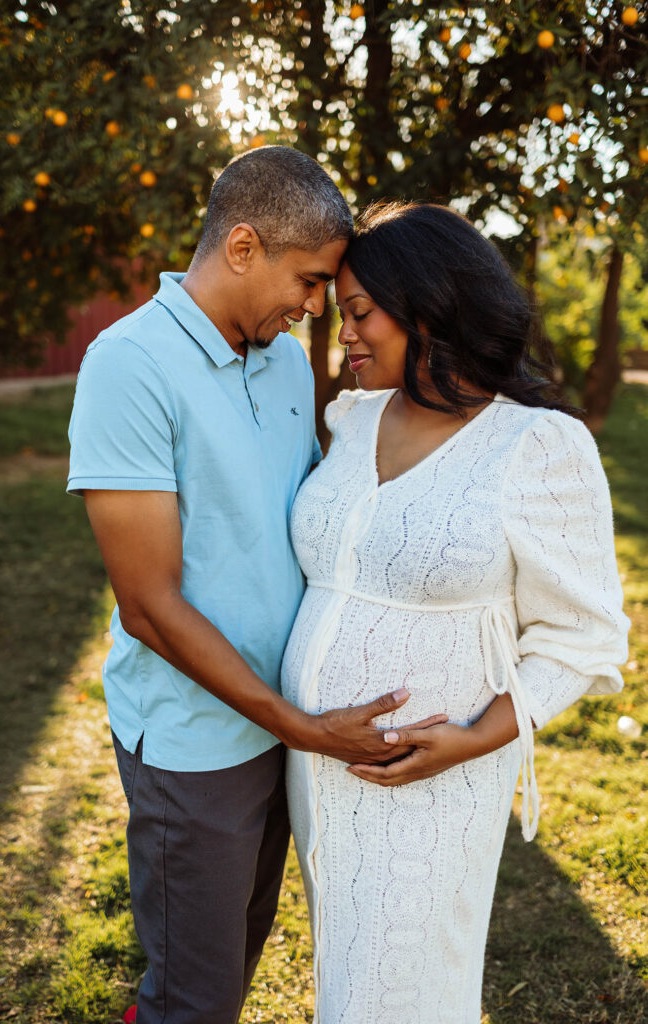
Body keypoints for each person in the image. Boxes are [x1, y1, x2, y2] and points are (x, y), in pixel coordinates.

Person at [66, 150, 440, 1024]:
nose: (315, 308)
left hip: (284, 724)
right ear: (242, 246)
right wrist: (301, 727)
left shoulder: (275, 359)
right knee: (193, 998)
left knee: (235, 957)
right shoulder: (128, 365)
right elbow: (149, 607)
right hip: (200, 744)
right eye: (309, 281)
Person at [282, 201, 631, 1024]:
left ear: (430, 306)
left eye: (361, 314)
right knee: (346, 973)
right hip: (317, 768)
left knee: (398, 991)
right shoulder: (352, 417)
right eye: (340, 316)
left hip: (431, 778)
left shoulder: (536, 445)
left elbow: (584, 637)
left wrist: (476, 739)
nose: (345, 339)